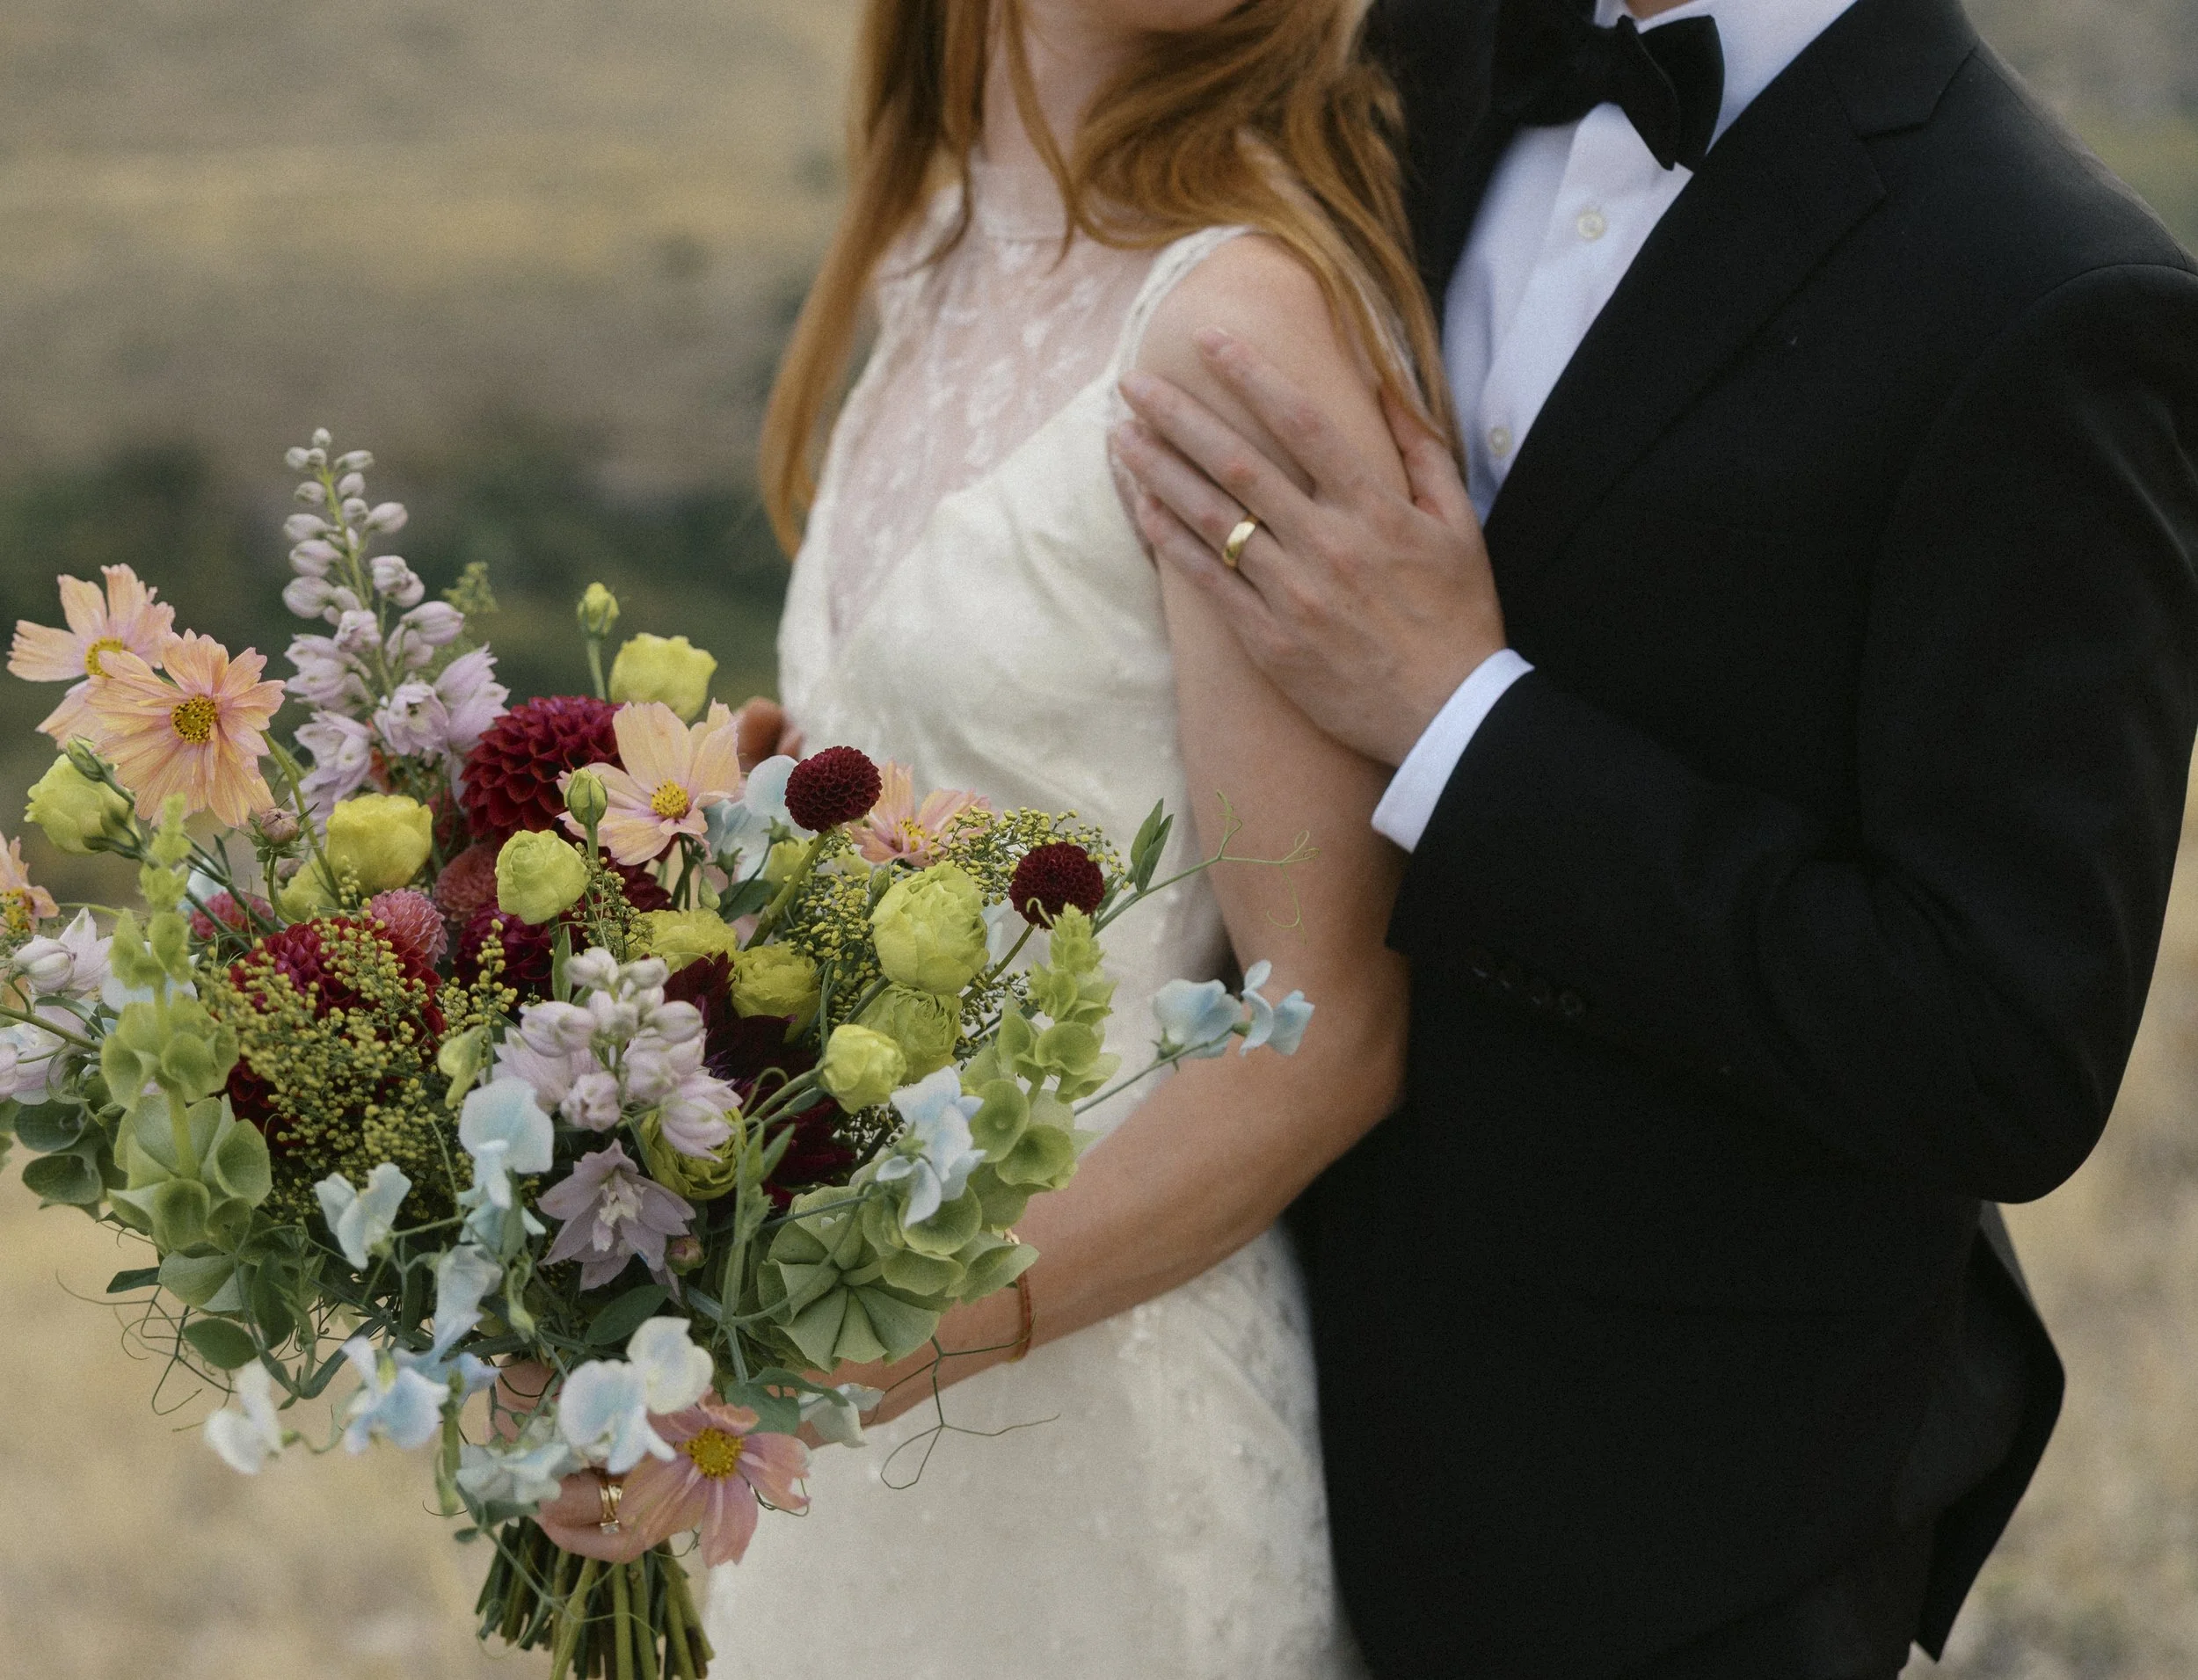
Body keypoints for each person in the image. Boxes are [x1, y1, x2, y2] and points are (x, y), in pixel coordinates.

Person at [1113, 0, 2198, 1676]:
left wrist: (1462, 718)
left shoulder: (2051, 294)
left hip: (1679, 1533)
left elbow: (1999, 1044)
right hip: (1226, 1416)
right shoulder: (1411, 57)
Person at [695, 0, 1447, 1672]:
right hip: (833, 1431)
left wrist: (864, 1339)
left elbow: (1327, 1032)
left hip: (1092, 1447)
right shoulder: (929, 251)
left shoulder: (1234, 320)